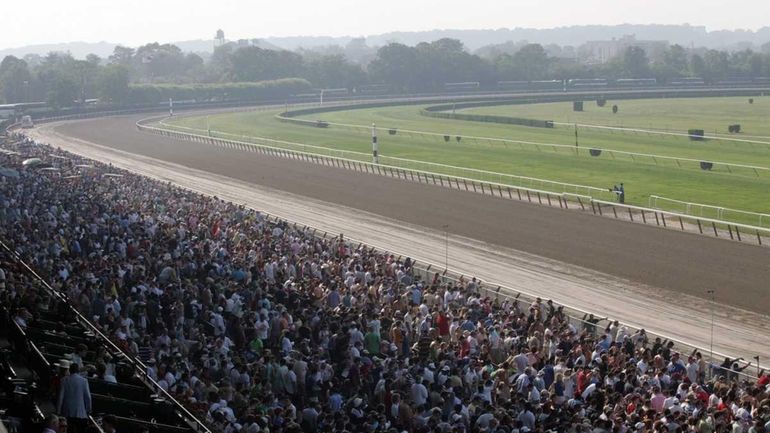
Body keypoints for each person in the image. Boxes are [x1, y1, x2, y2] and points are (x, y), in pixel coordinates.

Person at [58, 363, 92, 433]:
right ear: (78, 370)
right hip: (81, 414)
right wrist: (88, 410)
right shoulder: (84, 381)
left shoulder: (64, 380)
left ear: (70, 370)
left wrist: (58, 411)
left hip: (67, 412)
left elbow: (60, 397)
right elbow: (88, 397)